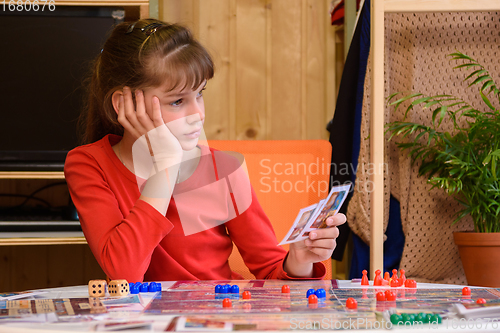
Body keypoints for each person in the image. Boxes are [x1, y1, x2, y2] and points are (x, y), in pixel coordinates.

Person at [64, 19, 346, 283]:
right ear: (124, 103)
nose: (197, 114)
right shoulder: (89, 164)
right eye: (177, 101)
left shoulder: (223, 169)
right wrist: (165, 170)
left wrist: (299, 260)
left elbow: (270, 270)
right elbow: (124, 272)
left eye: (200, 94)